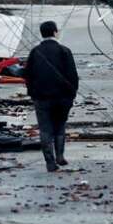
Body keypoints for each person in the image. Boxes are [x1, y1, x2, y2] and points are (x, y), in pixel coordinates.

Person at [23, 20, 79, 172]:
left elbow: (27, 75)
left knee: (45, 129)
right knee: (60, 126)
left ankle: (50, 162)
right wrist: (71, 95)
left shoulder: (35, 52)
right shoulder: (64, 51)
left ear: (42, 33)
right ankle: (60, 156)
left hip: (41, 98)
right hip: (62, 97)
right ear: (55, 32)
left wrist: (32, 93)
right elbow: (73, 76)